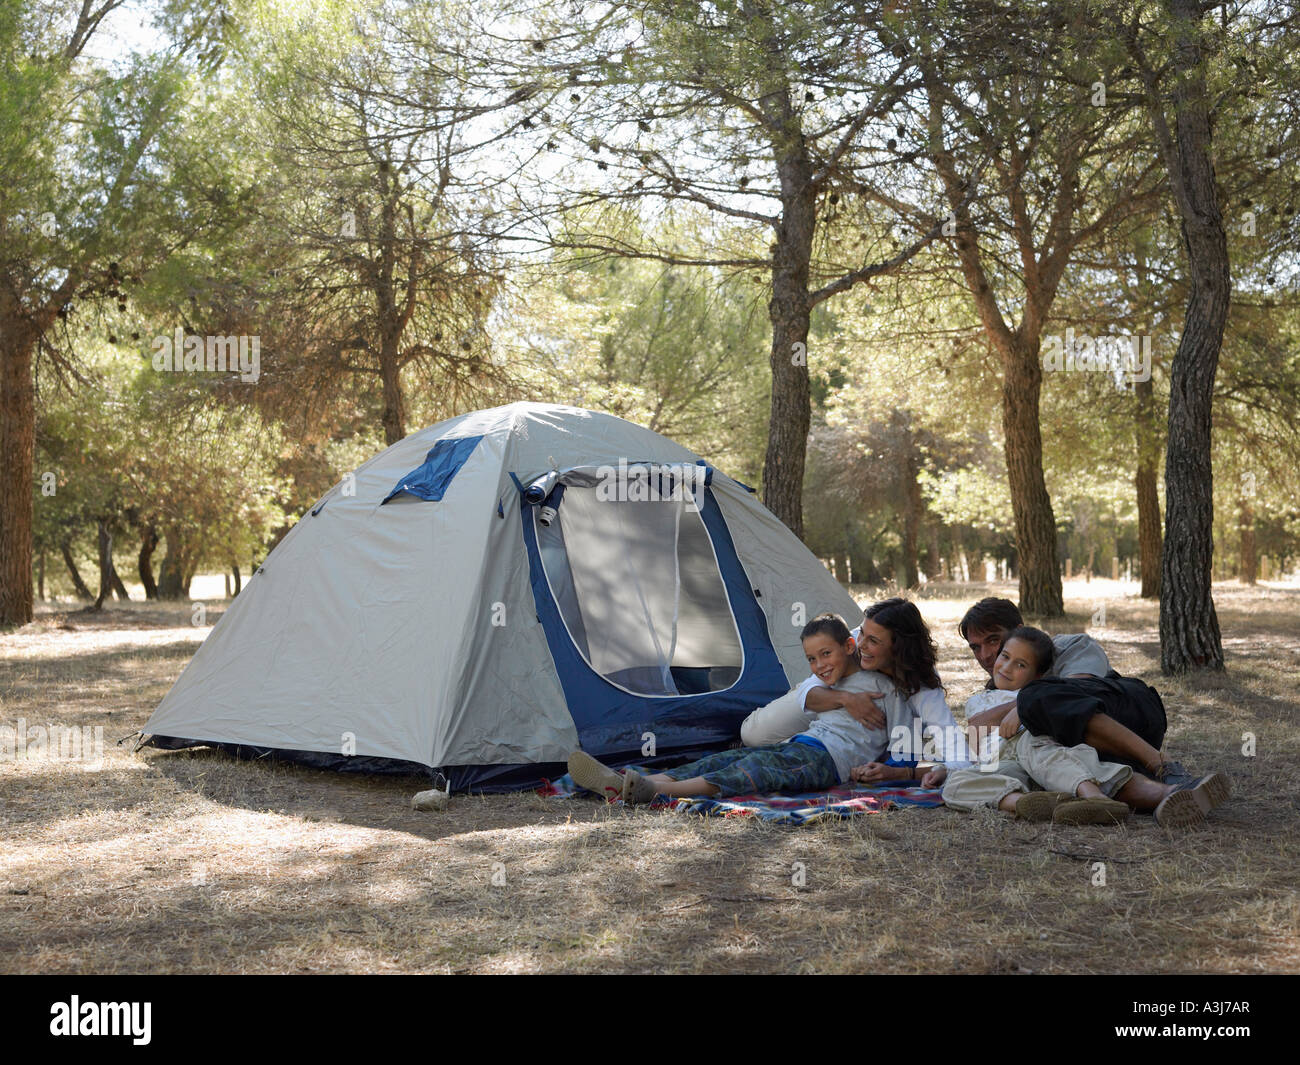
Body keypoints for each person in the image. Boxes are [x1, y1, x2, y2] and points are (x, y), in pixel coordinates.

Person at [566, 613, 964, 804]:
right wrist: (840, 694)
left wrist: (889, 770)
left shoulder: (899, 691)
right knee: (725, 759)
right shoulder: (839, 672)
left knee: (752, 772)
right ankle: (627, 781)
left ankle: (654, 793)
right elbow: (814, 695)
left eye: (871, 640)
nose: (863, 645)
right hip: (803, 742)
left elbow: (902, 749)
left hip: (831, 761)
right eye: (812, 658)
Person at [934, 627, 1219, 827]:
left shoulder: (1045, 687)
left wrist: (1023, 707)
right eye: (1004, 657)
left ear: (1039, 675)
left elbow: (1069, 693)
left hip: (1035, 744)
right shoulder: (980, 699)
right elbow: (974, 734)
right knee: (955, 785)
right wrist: (943, 767)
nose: (1004, 667)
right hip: (1003, 764)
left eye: (1020, 665)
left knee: (1054, 754)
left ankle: (1161, 795)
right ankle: (1033, 803)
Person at [958, 597, 1211, 791]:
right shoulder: (996, 691)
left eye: (993, 640)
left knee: (1042, 700)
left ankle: (1163, 764)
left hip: (1129, 710)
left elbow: (1076, 690)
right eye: (976, 647)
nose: (985, 656)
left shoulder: (1069, 646)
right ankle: (1170, 794)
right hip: (1093, 747)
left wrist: (1021, 707)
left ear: (1018, 631)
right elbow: (978, 731)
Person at [740, 598, 969, 779]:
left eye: (873, 641)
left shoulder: (921, 686)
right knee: (753, 735)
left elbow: (954, 749)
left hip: (872, 732)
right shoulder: (852, 643)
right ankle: (799, 745)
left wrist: (903, 771)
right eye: (862, 633)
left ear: (898, 647)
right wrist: (847, 699)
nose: (861, 644)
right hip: (828, 702)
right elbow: (809, 690)